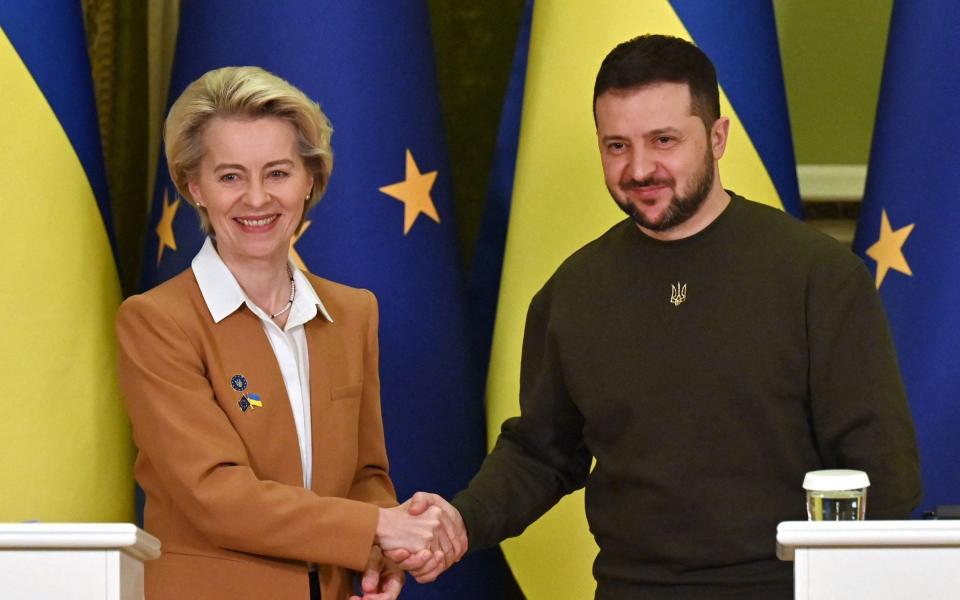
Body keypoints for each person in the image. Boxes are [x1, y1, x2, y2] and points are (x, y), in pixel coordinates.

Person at [391, 34, 923, 598]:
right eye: (616, 145)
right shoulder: (573, 291)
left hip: (788, 587)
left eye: (663, 140)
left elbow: (883, 478)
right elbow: (541, 454)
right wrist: (460, 521)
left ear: (718, 138)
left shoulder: (819, 277)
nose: (640, 168)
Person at [116, 66, 458, 600]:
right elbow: (214, 495)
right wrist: (376, 529)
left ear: (310, 181)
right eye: (230, 176)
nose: (257, 199)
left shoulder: (354, 312)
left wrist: (379, 556)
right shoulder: (156, 321)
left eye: (277, 173)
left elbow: (366, 476)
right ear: (194, 186)